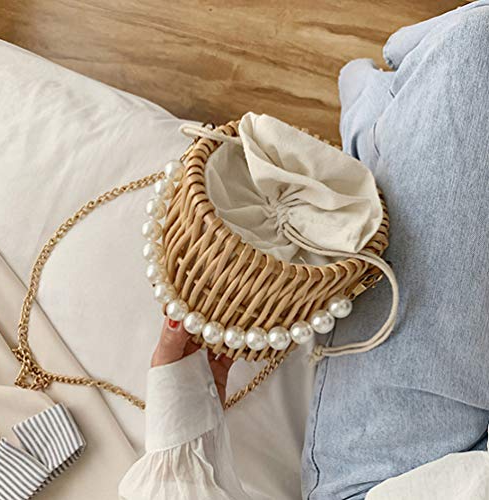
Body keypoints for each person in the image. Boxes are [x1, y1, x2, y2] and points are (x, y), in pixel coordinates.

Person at [119, 2, 489, 498]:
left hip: (401, 468)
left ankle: (379, 114)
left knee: (472, 54)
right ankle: (382, 114)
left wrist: (183, 429)